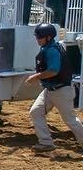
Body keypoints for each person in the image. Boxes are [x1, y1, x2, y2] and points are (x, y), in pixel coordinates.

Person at [27, 22, 82, 154]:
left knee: (70, 120)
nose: (37, 39)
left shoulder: (51, 50)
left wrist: (36, 77)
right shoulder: (48, 47)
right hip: (50, 90)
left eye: (39, 37)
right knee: (35, 111)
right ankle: (45, 142)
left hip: (60, 91)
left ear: (49, 37)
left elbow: (53, 70)